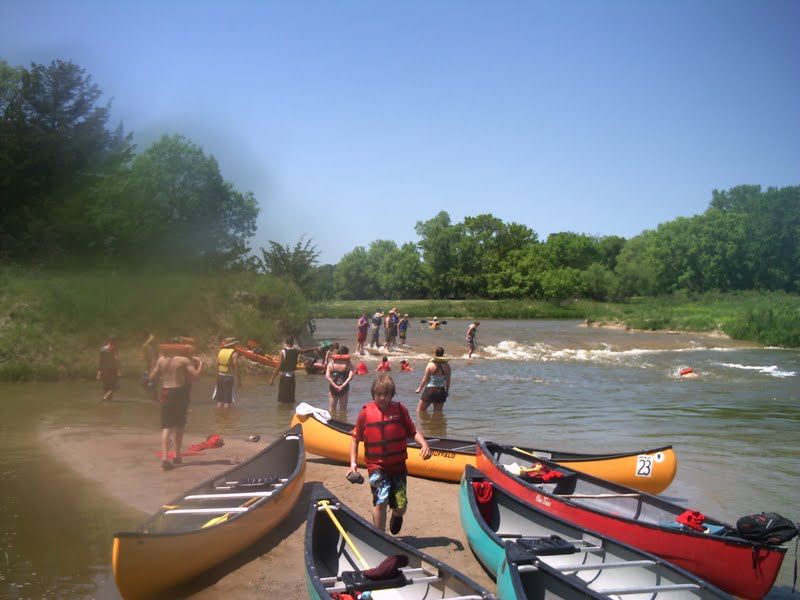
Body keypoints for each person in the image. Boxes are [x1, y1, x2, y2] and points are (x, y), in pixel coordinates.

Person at [348, 375, 431, 533]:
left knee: (400, 506)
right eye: (378, 394)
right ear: (373, 394)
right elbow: (355, 440)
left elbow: (413, 432)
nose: (382, 398)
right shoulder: (365, 414)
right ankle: (380, 536)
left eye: (386, 394)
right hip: (376, 465)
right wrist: (353, 465)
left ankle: (397, 515)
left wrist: (424, 444)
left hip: (398, 466)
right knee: (380, 500)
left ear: (391, 394)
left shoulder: (400, 410)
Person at [149, 347, 203, 470]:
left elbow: (152, 377)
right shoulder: (183, 360)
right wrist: (201, 364)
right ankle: (177, 456)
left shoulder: (161, 360)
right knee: (179, 425)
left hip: (165, 392)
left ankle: (165, 458)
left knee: (166, 427)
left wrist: (154, 364)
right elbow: (196, 376)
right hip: (179, 392)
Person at [269, 335, 316, 404]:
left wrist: (272, 378)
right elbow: (304, 351)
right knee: (291, 399)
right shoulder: (296, 351)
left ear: (286, 342)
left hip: (284, 378)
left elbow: (279, 367)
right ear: (293, 343)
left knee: (283, 400)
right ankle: (289, 412)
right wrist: (313, 348)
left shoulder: (283, 352)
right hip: (292, 377)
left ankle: (283, 413)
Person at [415, 346, 451, 413]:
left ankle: (423, 423)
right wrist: (447, 391)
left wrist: (419, 389)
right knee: (438, 412)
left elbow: (425, 378)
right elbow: (448, 381)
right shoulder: (447, 366)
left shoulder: (430, 364)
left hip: (430, 390)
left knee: (420, 410)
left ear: (435, 353)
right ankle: (437, 423)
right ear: (443, 354)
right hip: (441, 390)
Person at [326, 345, 355, 413]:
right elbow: (351, 377)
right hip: (344, 388)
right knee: (343, 410)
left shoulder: (331, 363)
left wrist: (335, 385)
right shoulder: (348, 364)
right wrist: (342, 386)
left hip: (333, 387)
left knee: (331, 409)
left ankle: (331, 422)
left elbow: (327, 376)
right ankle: (342, 422)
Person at [212, 337, 239, 409]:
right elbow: (236, 366)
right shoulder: (234, 353)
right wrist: (239, 379)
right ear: (233, 345)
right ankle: (226, 418)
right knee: (227, 400)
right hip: (228, 377)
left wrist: (217, 375)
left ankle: (219, 417)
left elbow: (217, 363)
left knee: (220, 400)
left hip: (220, 376)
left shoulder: (221, 351)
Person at [97, 336, 120, 401]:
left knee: (107, 386)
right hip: (112, 370)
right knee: (115, 385)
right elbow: (116, 361)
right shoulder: (114, 349)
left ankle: (108, 401)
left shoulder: (102, 349)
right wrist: (118, 370)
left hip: (105, 370)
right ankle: (105, 398)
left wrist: (99, 372)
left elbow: (101, 361)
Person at [140, 331, 159, 400]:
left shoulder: (149, 347)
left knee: (146, 383)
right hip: (150, 367)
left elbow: (153, 360)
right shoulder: (148, 346)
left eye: (142, 337)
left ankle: (154, 398)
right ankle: (154, 398)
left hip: (152, 367)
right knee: (147, 383)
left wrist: (151, 371)